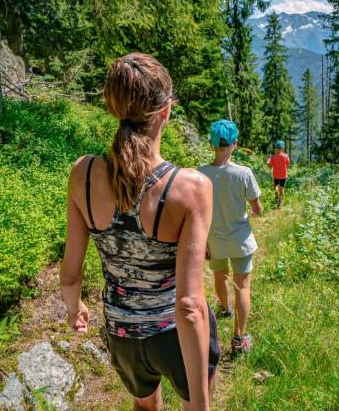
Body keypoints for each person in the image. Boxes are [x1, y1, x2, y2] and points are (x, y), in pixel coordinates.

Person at [59, 53, 220, 411]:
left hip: (122, 332)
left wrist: (74, 309)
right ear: (166, 111)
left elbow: (70, 273)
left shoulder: (82, 173)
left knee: (144, 407)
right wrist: (201, 405)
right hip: (175, 335)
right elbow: (191, 306)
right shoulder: (190, 187)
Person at [198, 120, 263, 356]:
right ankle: (239, 339)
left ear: (211, 143)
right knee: (242, 286)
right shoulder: (244, 173)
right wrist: (256, 210)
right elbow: (257, 208)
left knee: (219, 275)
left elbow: (197, 213)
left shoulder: (200, 174)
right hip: (241, 240)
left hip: (213, 240)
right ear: (235, 143)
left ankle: (225, 308)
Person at [267, 140, 290, 209]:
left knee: (275, 188)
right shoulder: (286, 156)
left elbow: (270, 165)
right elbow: (288, 165)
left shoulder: (273, 157)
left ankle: (277, 200)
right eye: (278, 148)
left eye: (278, 148)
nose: (278, 149)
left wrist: (269, 160)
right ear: (283, 149)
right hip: (283, 176)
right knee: (281, 189)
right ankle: (280, 203)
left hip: (276, 176)